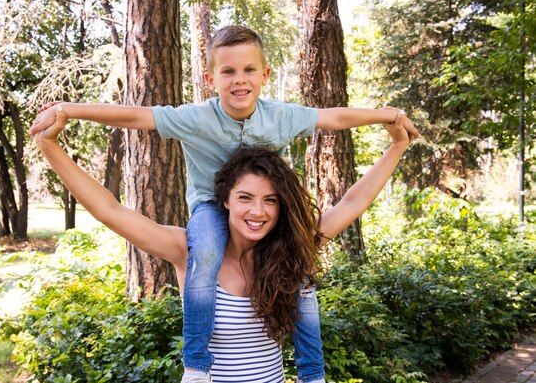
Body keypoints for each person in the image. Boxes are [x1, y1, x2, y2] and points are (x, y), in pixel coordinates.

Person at [29, 25, 420, 383]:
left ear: (265, 76)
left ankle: (311, 373)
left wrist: (393, 131)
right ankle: (195, 366)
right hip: (204, 212)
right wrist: (61, 123)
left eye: (270, 200)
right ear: (228, 200)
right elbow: (111, 207)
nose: (257, 211)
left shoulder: (290, 244)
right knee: (210, 246)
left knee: (300, 269)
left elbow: (352, 197)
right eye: (245, 198)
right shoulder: (192, 250)